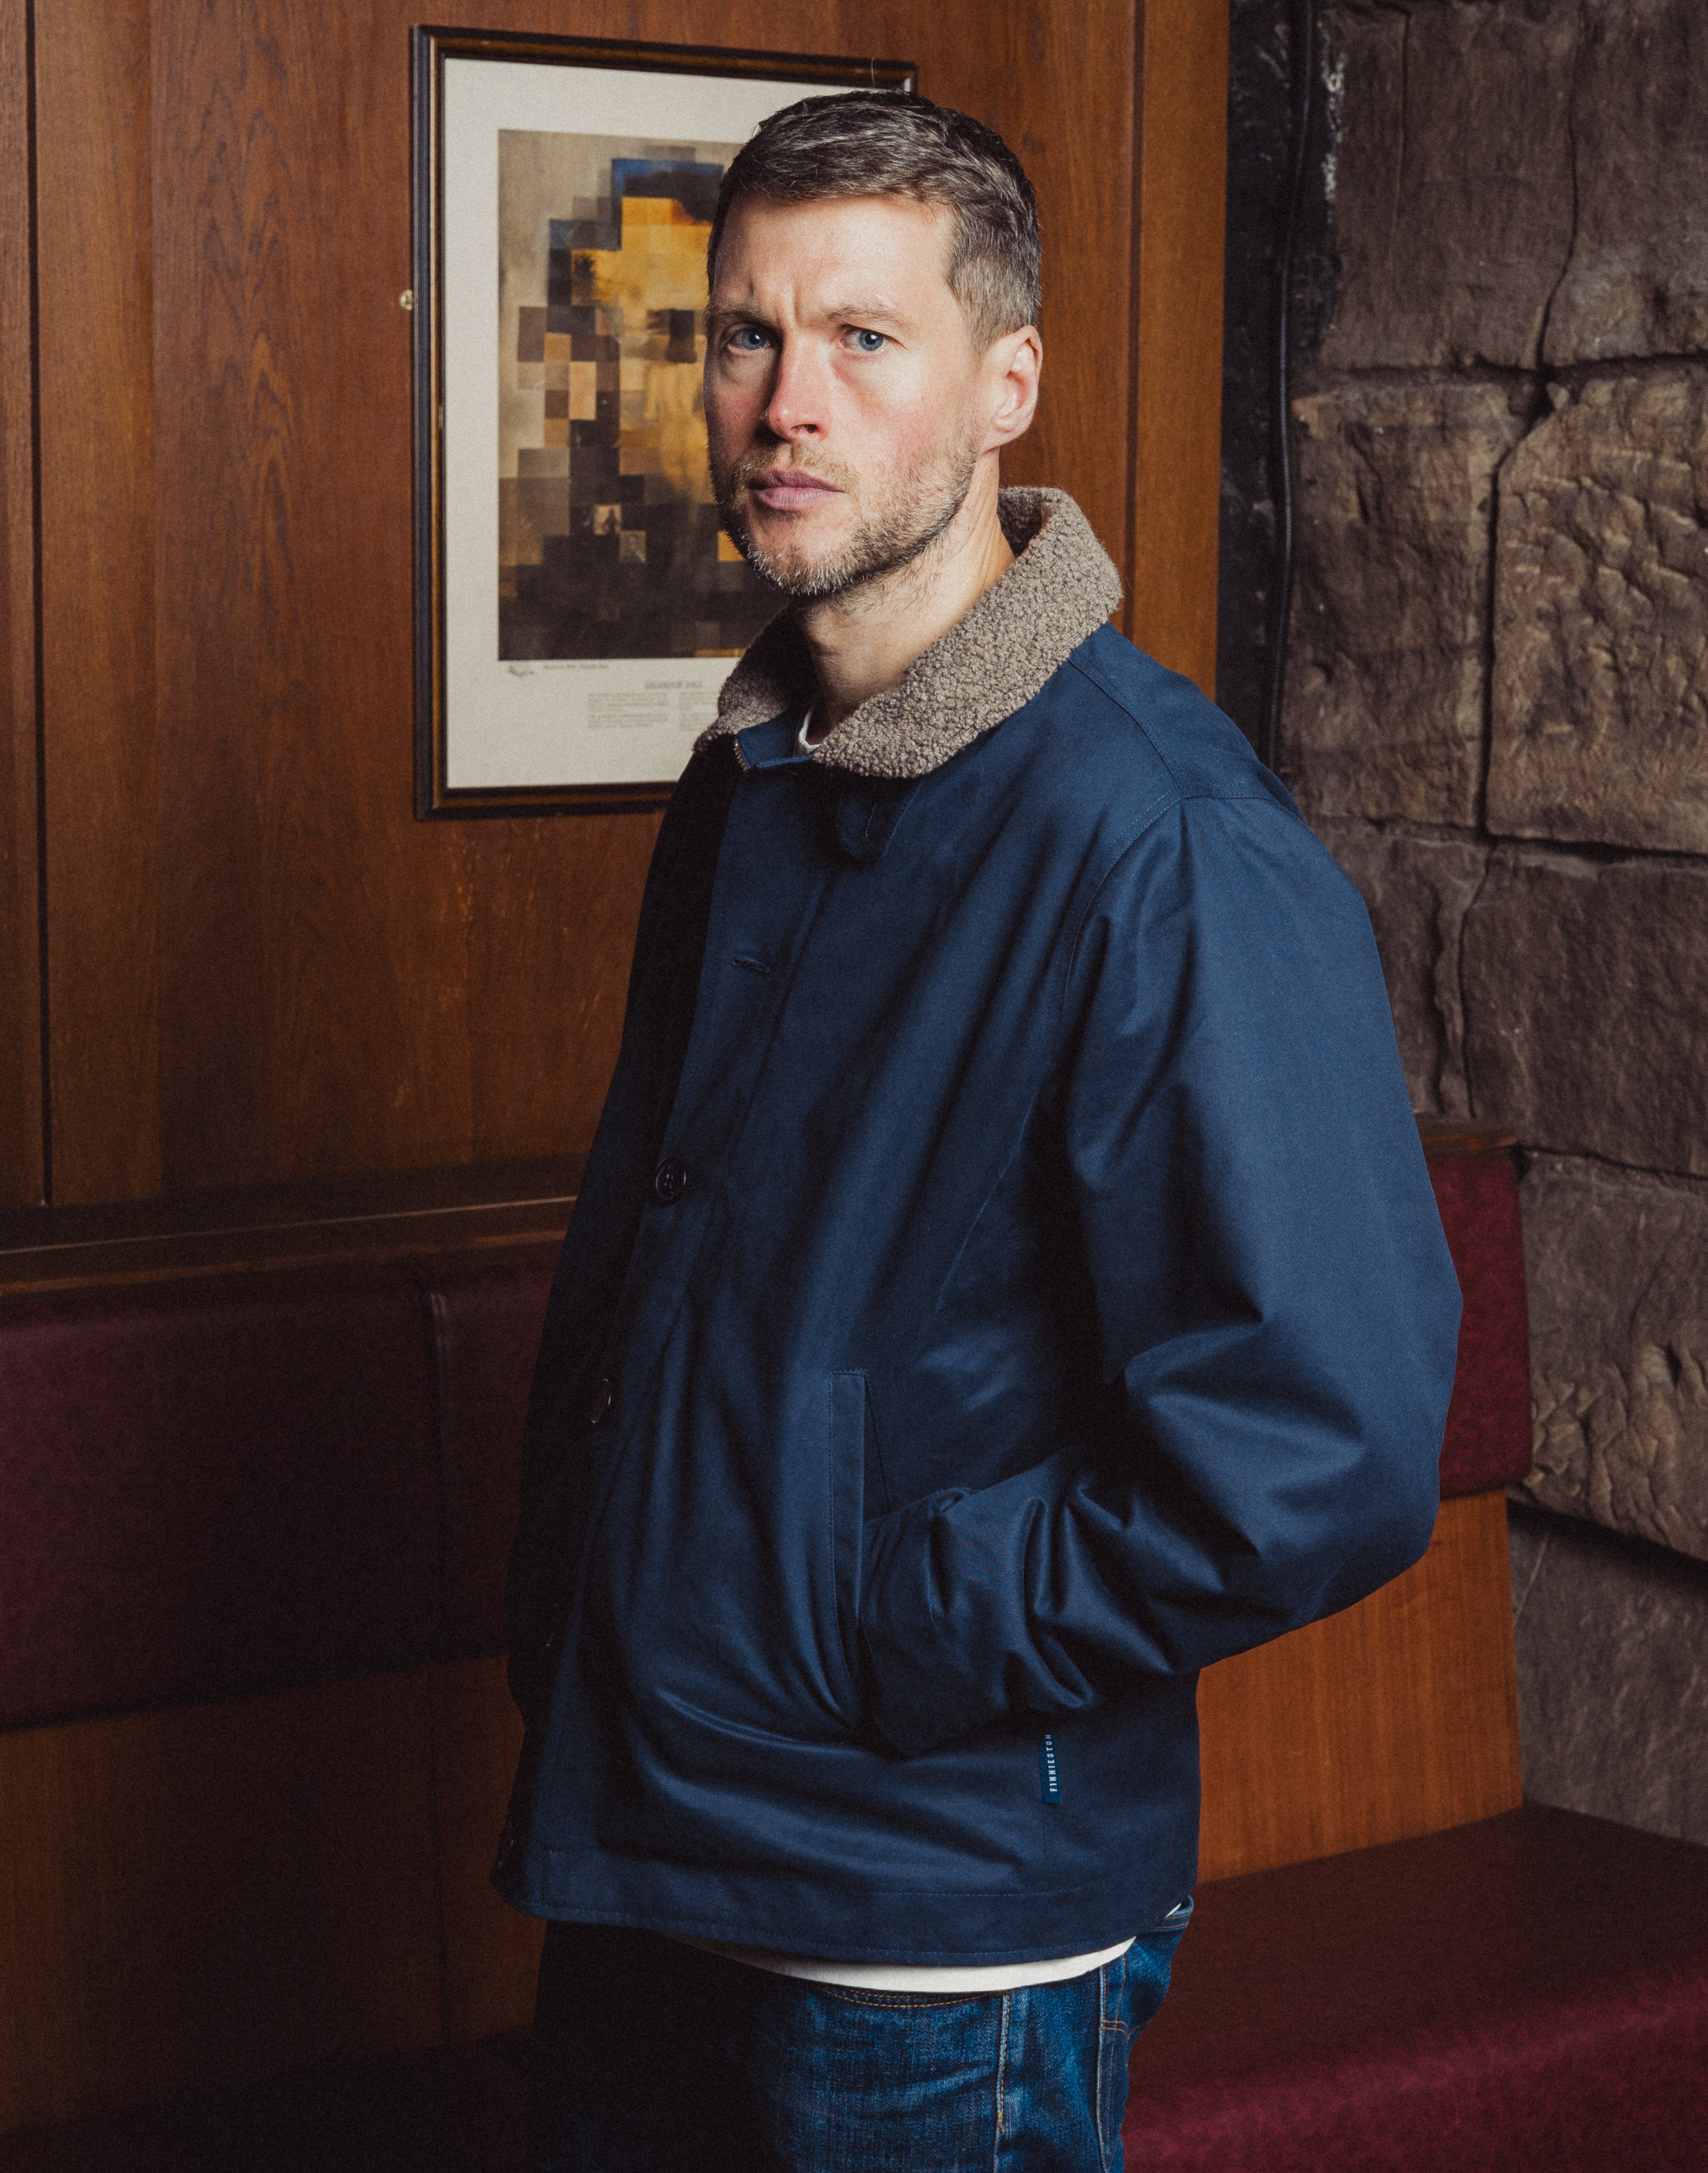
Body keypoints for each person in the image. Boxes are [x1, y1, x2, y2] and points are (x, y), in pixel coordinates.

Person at [497, 89, 1460, 2173]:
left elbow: (1331, 1440)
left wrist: (894, 1620)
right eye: (747, 335)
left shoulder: (1161, 838)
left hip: (924, 1927)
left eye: (864, 337)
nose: (786, 401)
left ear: (1005, 381)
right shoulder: (752, 777)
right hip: (654, 1834)